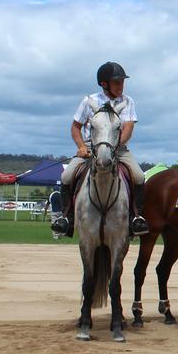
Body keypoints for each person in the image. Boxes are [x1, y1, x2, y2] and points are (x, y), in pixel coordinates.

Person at [51, 61, 148, 238]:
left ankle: (135, 217)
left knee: (139, 176)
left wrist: (115, 146)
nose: (121, 86)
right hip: (90, 147)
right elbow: (75, 127)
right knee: (66, 176)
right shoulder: (89, 101)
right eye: (117, 82)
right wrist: (81, 146)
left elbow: (127, 128)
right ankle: (65, 218)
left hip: (118, 148)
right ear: (104, 84)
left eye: (122, 82)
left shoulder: (128, 101)